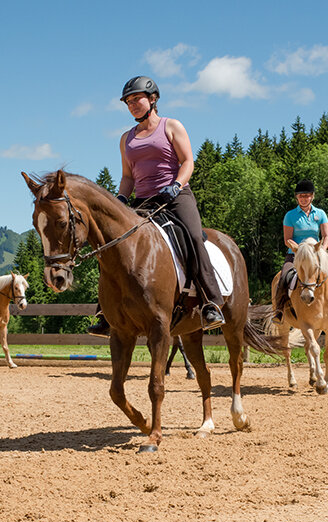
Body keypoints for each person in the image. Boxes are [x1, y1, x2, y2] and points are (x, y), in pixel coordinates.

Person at [87, 75, 226, 337]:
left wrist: (175, 185)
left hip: (176, 196)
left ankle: (211, 303)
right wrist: (121, 199)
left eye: (136, 99)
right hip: (143, 202)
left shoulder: (171, 126)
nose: (132, 105)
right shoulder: (126, 138)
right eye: (128, 102)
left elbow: (188, 162)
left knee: (195, 237)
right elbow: (128, 176)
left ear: (152, 99)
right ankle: (106, 312)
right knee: (111, 244)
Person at [273, 179, 328, 323]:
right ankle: (279, 310)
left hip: (317, 255)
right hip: (296, 255)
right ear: (296, 197)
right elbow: (287, 239)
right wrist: (301, 251)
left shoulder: (321, 213)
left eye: (307, 195)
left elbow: (326, 236)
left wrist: (321, 252)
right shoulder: (290, 215)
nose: (304, 198)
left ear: (312, 196)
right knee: (284, 277)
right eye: (301, 196)